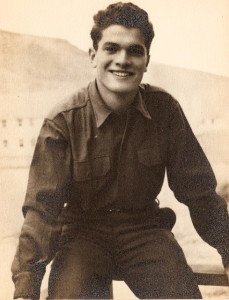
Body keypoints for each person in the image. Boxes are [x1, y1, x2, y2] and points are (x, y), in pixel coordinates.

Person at [12, 2, 229, 299]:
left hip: (146, 232)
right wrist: (26, 286)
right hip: (82, 237)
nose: (122, 60)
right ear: (93, 56)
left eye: (134, 51)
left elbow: (199, 192)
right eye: (111, 49)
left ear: (147, 60)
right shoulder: (64, 122)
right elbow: (42, 210)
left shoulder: (165, 111)